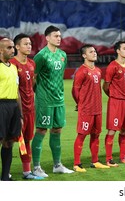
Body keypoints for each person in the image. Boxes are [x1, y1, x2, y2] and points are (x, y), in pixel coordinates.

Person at [31, 25, 74, 178]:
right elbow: (33, 78)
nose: (59, 38)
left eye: (60, 36)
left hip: (59, 100)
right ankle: (36, 167)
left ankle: (57, 165)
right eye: (55, 36)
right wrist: (40, 94)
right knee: (41, 130)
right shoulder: (41, 56)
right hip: (45, 100)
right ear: (47, 38)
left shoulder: (63, 55)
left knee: (57, 130)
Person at [10, 34, 43, 180]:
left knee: (27, 140)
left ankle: (26, 171)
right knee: (9, 140)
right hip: (16, 110)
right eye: (25, 44)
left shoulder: (31, 64)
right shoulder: (11, 64)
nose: (29, 46)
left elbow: (33, 84)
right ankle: (6, 171)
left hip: (30, 109)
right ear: (17, 47)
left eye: (30, 44)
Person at [72, 44, 110, 172]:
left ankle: (95, 161)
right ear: (84, 55)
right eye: (91, 52)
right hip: (86, 110)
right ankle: (77, 164)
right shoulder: (82, 71)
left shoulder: (98, 71)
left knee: (96, 135)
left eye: (95, 51)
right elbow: (75, 90)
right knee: (82, 135)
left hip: (97, 109)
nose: (94, 53)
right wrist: (80, 103)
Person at [103, 41, 125, 167]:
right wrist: (114, 96)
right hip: (116, 102)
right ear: (118, 51)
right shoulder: (112, 66)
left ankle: (123, 157)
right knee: (112, 130)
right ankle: (109, 159)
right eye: (124, 48)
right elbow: (105, 86)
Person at [0, 38, 22, 181]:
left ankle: (5, 177)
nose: (12, 50)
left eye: (13, 47)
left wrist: (20, 114)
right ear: (1, 50)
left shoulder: (13, 67)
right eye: (9, 48)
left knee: (9, 142)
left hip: (13, 107)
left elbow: (17, 91)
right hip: (0, 105)